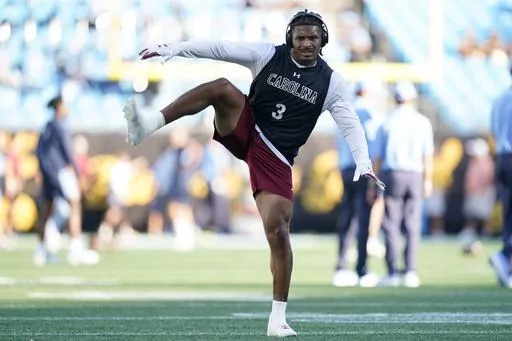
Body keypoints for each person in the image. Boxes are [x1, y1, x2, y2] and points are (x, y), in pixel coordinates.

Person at [124, 9, 384, 336]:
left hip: (276, 157)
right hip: (246, 128)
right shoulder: (267, 55)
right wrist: (177, 48)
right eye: (300, 37)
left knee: (279, 231)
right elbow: (220, 48)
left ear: (323, 41)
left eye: (313, 38)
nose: (306, 43)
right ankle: (150, 122)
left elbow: (350, 123)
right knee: (220, 87)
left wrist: (364, 162)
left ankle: (278, 318)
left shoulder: (331, 82)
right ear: (290, 37)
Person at [372, 81, 434, 288]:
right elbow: (428, 154)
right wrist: (428, 179)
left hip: (393, 173)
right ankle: (410, 271)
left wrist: (374, 182)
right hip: (415, 174)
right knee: (412, 224)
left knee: (391, 223)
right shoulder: (422, 121)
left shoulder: (388, 121)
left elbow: (378, 156)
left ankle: (392, 272)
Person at [33, 95, 99, 266]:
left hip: (48, 172)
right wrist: (78, 173)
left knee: (47, 209)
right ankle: (76, 249)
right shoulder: (60, 126)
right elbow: (68, 152)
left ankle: (41, 250)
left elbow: (39, 151)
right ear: (59, 107)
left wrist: (42, 171)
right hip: (60, 171)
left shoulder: (46, 126)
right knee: (75, 204)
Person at [332, 80, 384, 288]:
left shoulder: (343, 110)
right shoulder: (370, 114)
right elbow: (374, 148)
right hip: (362, 170)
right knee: (363, 220)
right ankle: (361, 269)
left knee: (347, 218)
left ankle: (341, 267)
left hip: (345, 168)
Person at [489, 64, 512, 289]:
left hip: (503, 158)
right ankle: (507, 259)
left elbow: (493, 131)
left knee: (508, 211)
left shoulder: (499, 99)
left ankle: (506, 257)